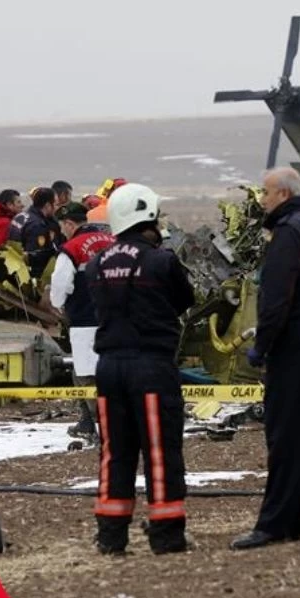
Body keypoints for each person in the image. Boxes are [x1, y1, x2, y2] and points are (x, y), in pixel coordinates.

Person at [231, 168, 300, 551]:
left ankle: (274, 524)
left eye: (265, 193)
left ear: (281, 193)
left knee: (284, 435)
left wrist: (262, 346)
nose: (261, 200)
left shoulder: (289, 233)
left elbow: (276, 297)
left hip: (295, 341)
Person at [86, 183, 195, 555]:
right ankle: (166, 537)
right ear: (146, 216)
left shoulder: (96, 263)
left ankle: (111, 537)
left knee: (114, 452)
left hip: (108, 368)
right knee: (160, 451)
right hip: (150, 367)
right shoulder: (161, 261)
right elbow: (185, 300)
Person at [50, 202, 116, 444]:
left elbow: (60, 285)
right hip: (117, 321)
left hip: (85, 321)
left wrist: (58, 304)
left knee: (86, 376)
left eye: (62, 227)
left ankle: (101, 429)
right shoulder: (113, 242)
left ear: (69, 223)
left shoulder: (71, 249)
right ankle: (92, 423)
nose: (62, 232)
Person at [8, 186, 61, 278]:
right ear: (48, 205)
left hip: (13, 268)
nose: (57, 208)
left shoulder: (20, 216)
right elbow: (34, 256)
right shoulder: (37, 225)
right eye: (56, 204)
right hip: (29, 275)